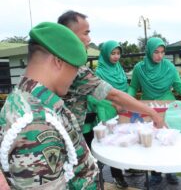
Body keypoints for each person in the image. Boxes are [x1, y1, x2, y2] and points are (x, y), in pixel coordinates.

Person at [0, 22, 99, 189]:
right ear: (58, 62)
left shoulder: (24, 97)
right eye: (75, 69)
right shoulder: (37, 124)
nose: (74, 76)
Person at [57, 10, 165, 147]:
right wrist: (152, 113)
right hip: (69, 133)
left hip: (67, 130)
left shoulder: (57, 62)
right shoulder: (75, 70)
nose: (89, 39)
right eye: (86, 33)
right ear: (69, 35)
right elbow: (114, 95)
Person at [128, 37, 181, 186]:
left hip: (167, 108)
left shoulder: (169, 67)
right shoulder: (139, 68)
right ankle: (155, 175)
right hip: (148, 108)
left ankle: (171, 171)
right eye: (156, 52)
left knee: (168, 139)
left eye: (162, 52)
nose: (160, 56)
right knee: (152, 141)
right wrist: (127, 100)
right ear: (149, 52)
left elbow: (179, 87)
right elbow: (133, 87)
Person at [91, 40, 128, 188]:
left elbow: (124, 89)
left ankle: (120, 173)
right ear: (106, 54)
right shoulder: (99, 72)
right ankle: (108, 177)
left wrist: (125, 104)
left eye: (118, 53)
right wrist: (114, 104)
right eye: (113, 53)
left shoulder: (119, 69)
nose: (116, 57)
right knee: (109, 145)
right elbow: (94, 97)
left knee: (121, 140)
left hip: (121, 110)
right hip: (106, 110)